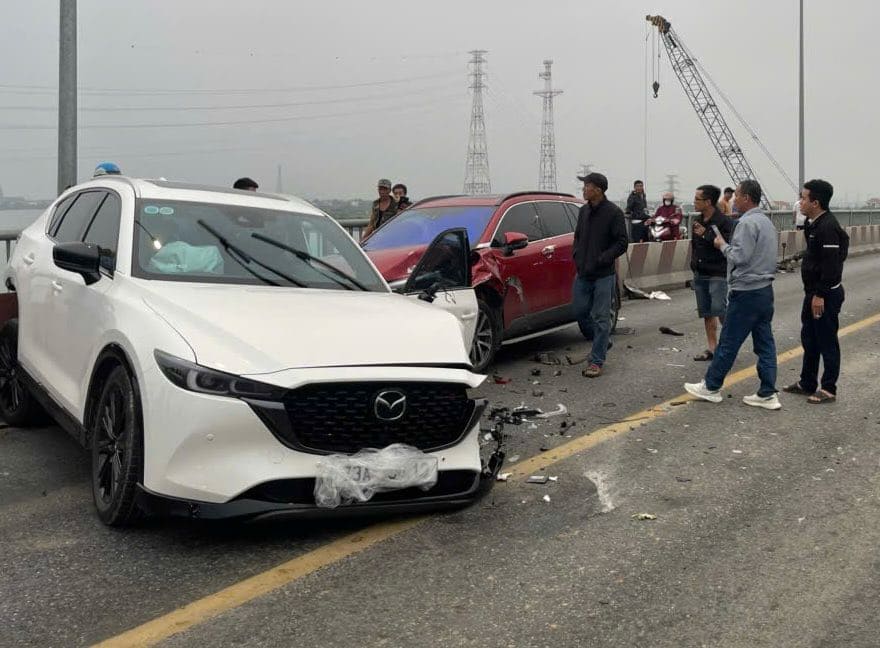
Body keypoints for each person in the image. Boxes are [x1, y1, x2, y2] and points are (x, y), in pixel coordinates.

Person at [685, 180, 781, 410]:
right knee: (765, 343)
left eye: (737, 195)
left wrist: (721, 245)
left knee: (728, 341)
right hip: (765, 291)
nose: (733, 200)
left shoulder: (747, 224)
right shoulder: (766, 222)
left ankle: (711, 386)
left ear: (747, 198)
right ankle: (768, 393)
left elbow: (739, 256)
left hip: (746, 292)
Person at [783, 179, 849, 404]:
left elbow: (832, 265)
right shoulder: (815, 224)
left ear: (816, 202)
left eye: (803, 198)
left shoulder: (828, 226)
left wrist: (820, 294)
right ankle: (807, 382)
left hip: (824, 295)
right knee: (809, 339)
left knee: (826, 340)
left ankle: (829, 387)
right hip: (812, 292)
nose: (800, 202)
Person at [571, 172, 628, 378]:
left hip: (603, 274)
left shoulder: (614, 213)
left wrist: (604, 258)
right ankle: (603, 341)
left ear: (598, 189)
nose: (584, 189)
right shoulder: (584, 211)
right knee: (579, 310)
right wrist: (576, 255)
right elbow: (578, 237)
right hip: (583, 272)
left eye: (587, 186)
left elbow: (622, 242)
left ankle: (596, 361)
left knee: (601, 317)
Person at [690, 184, 734, 362]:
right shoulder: (698, 220)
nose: (694, 202)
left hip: (718, 272)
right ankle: (712, 348)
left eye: (697, 199)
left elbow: (725, 246)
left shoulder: (724, 222)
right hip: (701, 271)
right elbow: (695, 245)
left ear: (708, 201)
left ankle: (729, 346)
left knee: (720, 309)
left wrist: (705, 235)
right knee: (707, 313)